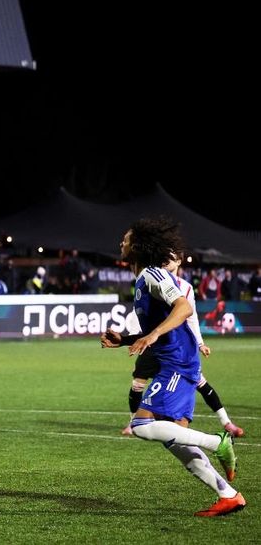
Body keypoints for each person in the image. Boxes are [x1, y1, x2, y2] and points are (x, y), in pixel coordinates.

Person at [100, 219, 244, 517]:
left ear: (138, 246)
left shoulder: (154, 274)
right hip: (174, 360)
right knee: (172, 437)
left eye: (125, 240)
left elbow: (184, 308)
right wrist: (124, 338)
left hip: (178, 361)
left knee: (141, 426)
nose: (121, 244)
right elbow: (161, 322)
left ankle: (218, 441)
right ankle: (228, 495)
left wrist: (152, 335)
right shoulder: (142, 280)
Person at [120, 252, 244, 439]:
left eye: (171, 257)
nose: (166, 260)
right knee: (138, 384)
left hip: (175, 348)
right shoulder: (152, 278)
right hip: (153, 345)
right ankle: (132, 421)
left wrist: (200, 343)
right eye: (164, 257)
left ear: (178, 261)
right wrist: (129, 339)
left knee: (199, 384)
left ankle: (226, 423)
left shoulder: (184, 287)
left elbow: (189, 315)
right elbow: (145, 316)